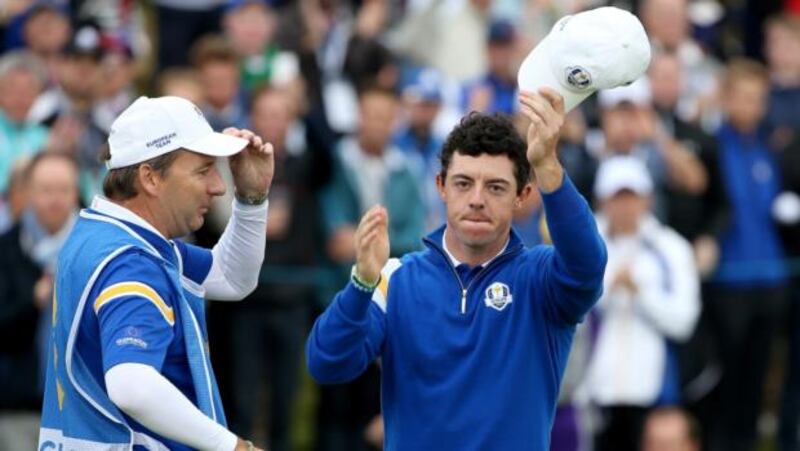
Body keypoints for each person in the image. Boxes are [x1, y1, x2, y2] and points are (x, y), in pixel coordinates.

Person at [306, 88, 608, 450]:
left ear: (523, 196)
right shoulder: (394, 280)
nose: (477, 199)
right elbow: (326, 363)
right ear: (441, 187)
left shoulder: (540, 278)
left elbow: (587, 267)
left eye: (495, 187)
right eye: (464, 183)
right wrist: (361, 282)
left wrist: (548, 167)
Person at [38, 95, 273, 451]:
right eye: (203, 170)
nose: (219, 186)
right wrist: (231, 446)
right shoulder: (130, 260)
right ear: (149, 178)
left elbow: (231, 278)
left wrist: (251, 200)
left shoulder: (104, 235)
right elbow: (131, 386)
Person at [585, 156, 700, 451]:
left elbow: (684, 322)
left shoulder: (672, 248)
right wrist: (608, 289)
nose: (625, 206)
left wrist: (641, 293)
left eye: (632, 197)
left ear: (647, 199)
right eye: (616, 197)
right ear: (602, 200)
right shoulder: (583, 246)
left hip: (652, 390)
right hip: (593, 391)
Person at [0, 151, 79, 451]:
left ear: (76, 192)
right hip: (18, 407)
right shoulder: (6, 248)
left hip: (81, 411)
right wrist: (32, 301)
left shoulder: (93, 251)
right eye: (46, 190)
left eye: (63, 190)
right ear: (29, 192)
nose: (55, 200)